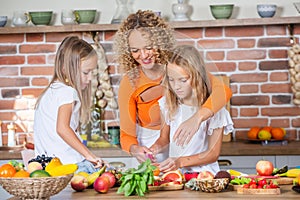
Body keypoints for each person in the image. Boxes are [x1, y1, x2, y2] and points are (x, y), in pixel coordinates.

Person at [114, 10, 232, 163]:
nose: (143, 55)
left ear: (161, 43)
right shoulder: (129, 82)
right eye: (135, 50)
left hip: (186, 148)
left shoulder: (178, 66)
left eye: (149, 47)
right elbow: (126, 135)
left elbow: (223, 90)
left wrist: (196, 118)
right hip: (150, 148)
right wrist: (135, 149)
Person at [151, 45, 234, 174]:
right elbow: (164, 139)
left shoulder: (214, 109)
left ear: (197, 76)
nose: (176, 86)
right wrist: (154, 149)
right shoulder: (168, 104)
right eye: (171, 80)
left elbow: (212, 154)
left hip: (204, 174)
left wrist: (180, 161)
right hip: (176, 173)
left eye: (183, 80)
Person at [34, 36, 104, 173]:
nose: (90, 78)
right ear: (66, 69)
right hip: (70, 165)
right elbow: (62, 128)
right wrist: (89, 155)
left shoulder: (51, 92)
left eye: (92, 72)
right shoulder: (67, 92)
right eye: (86, 72)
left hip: (48, 168)